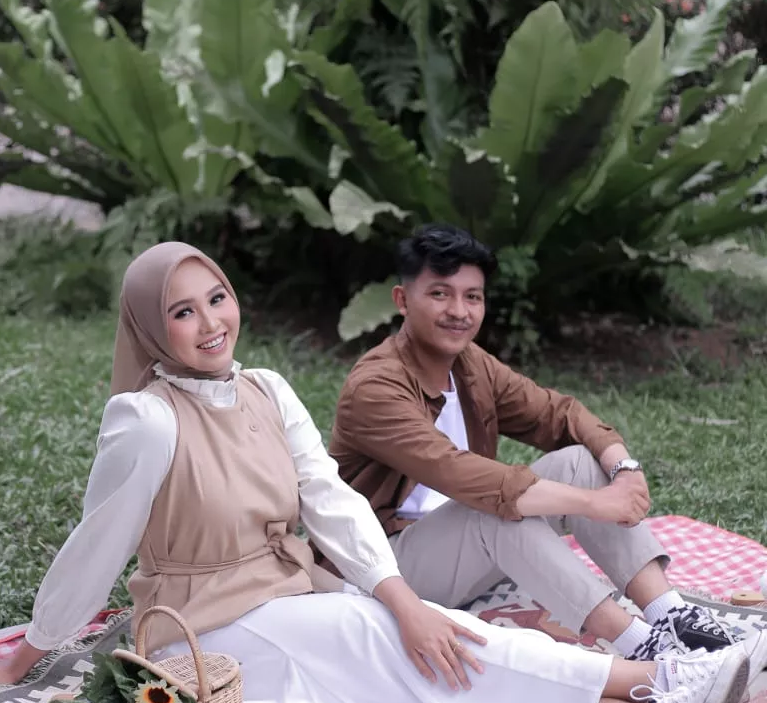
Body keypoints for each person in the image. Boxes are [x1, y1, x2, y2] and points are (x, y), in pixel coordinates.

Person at [0, 243, 749, 703]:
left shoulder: (266, 389)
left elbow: (329, 501)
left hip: (290, 591)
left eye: (217, 298)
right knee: (392, 649)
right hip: (204, 626)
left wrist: (401, 600)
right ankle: (651, 684)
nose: (211, 322)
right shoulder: (145, 420)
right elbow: (97, 543)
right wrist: (27, 656)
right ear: (152, 327)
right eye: (182, 312)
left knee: (415, 646)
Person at [329, 223, 767, 676]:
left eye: (472, 296)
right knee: (495, 512)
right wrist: (594, 503)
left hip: (462, 550)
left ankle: (671, 614)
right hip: (385, 569)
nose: (459, 311)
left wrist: (624, 469)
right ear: (402, 300)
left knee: (579, 460)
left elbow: (560, 414)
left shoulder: (469, 364)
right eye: (440, 294)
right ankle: (643, 647)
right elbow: (465, 476)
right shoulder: (375, 387)